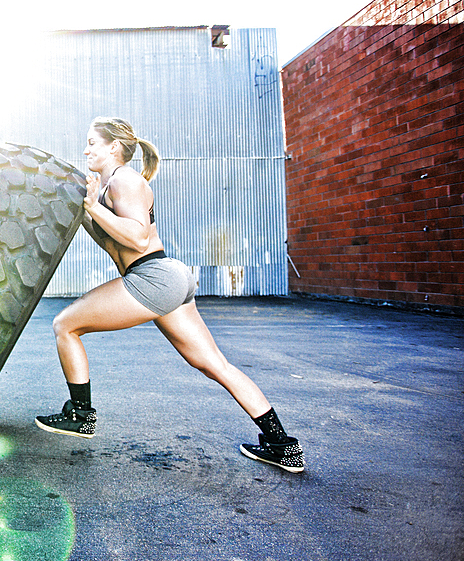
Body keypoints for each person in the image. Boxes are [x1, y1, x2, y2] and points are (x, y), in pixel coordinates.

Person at [34, 117, 305, 473]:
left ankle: (81, 416)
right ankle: (282, 445)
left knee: (65, 324)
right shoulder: (107, 186)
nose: (85, 149)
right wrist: (85, 204)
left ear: (113, 147)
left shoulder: (125, 180)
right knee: (213, 364)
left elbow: (138, 238)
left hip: (153, 275)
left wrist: (94, 208)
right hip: (166, 279)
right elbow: (108, 235)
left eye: (92, 142)